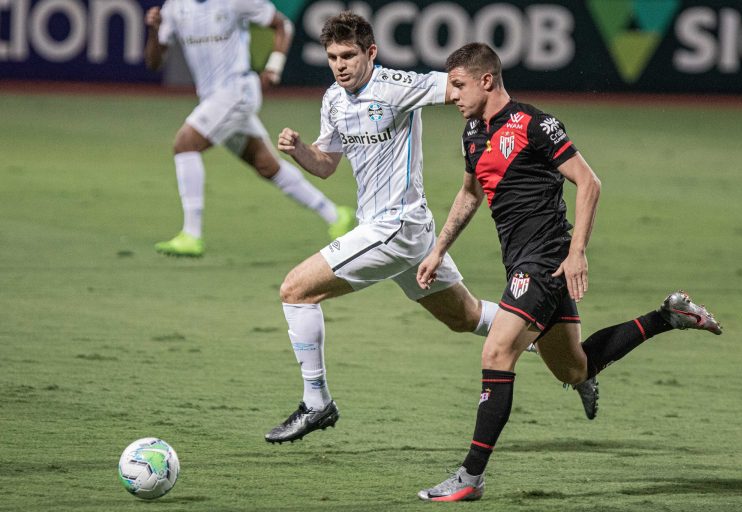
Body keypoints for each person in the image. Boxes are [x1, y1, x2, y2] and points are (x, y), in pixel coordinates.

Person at [415, 43, 722, 502]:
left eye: (458, 85)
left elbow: (589, 181)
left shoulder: (533, 123)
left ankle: (471, 476)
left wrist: (577, 251)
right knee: (574, 368)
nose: (451, 95)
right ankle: (668, 316)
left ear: (486, 80)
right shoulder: (472, 135)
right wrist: (438, 249)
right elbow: (470, 193)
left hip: (544, 261)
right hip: (523, 260)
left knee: (497, 353)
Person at [263, 12, 501, 444]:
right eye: (332, 56)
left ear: (370, 52)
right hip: (396, 232)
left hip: (398, 226)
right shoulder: (333, 99)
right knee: (465, 317)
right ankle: (553, 338)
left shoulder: (396, 86)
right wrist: (300, 151)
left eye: (349, 55)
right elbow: (326, 164)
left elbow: (462, 88)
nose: (340, 64)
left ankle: (317, 403)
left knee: (295, 290)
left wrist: (508, 123)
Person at [144, 0, 355, 257]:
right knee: (267, 166)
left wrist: (273, 68)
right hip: (213, 99)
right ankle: (335, 214)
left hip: (237, 91)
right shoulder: (175, 7)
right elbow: (154, 62)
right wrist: (154, 30)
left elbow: (282, 25)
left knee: (185, 144)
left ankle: (191, 234)